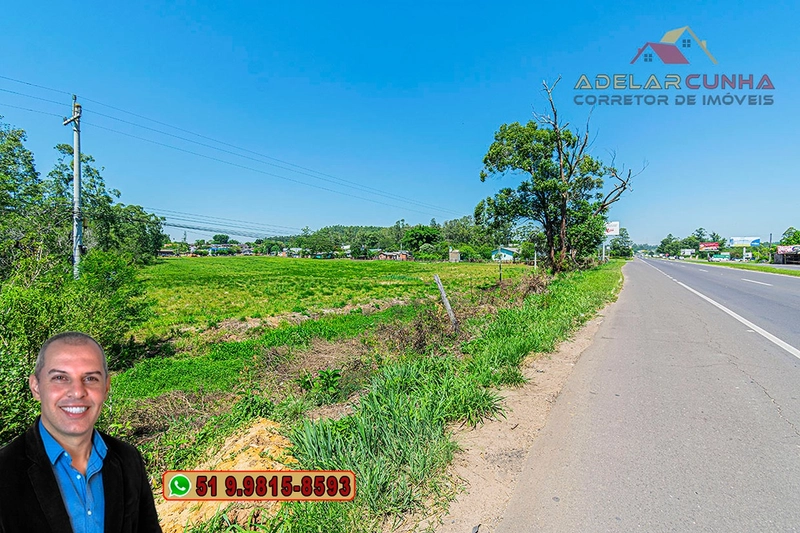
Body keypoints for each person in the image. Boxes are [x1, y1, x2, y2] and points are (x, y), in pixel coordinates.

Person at [0, 331, 162, 533]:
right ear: (36, 387)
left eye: (91, 378)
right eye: (60, 377)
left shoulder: (129, 460)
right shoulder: (4, 470)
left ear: (106, 387)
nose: (77, 392)